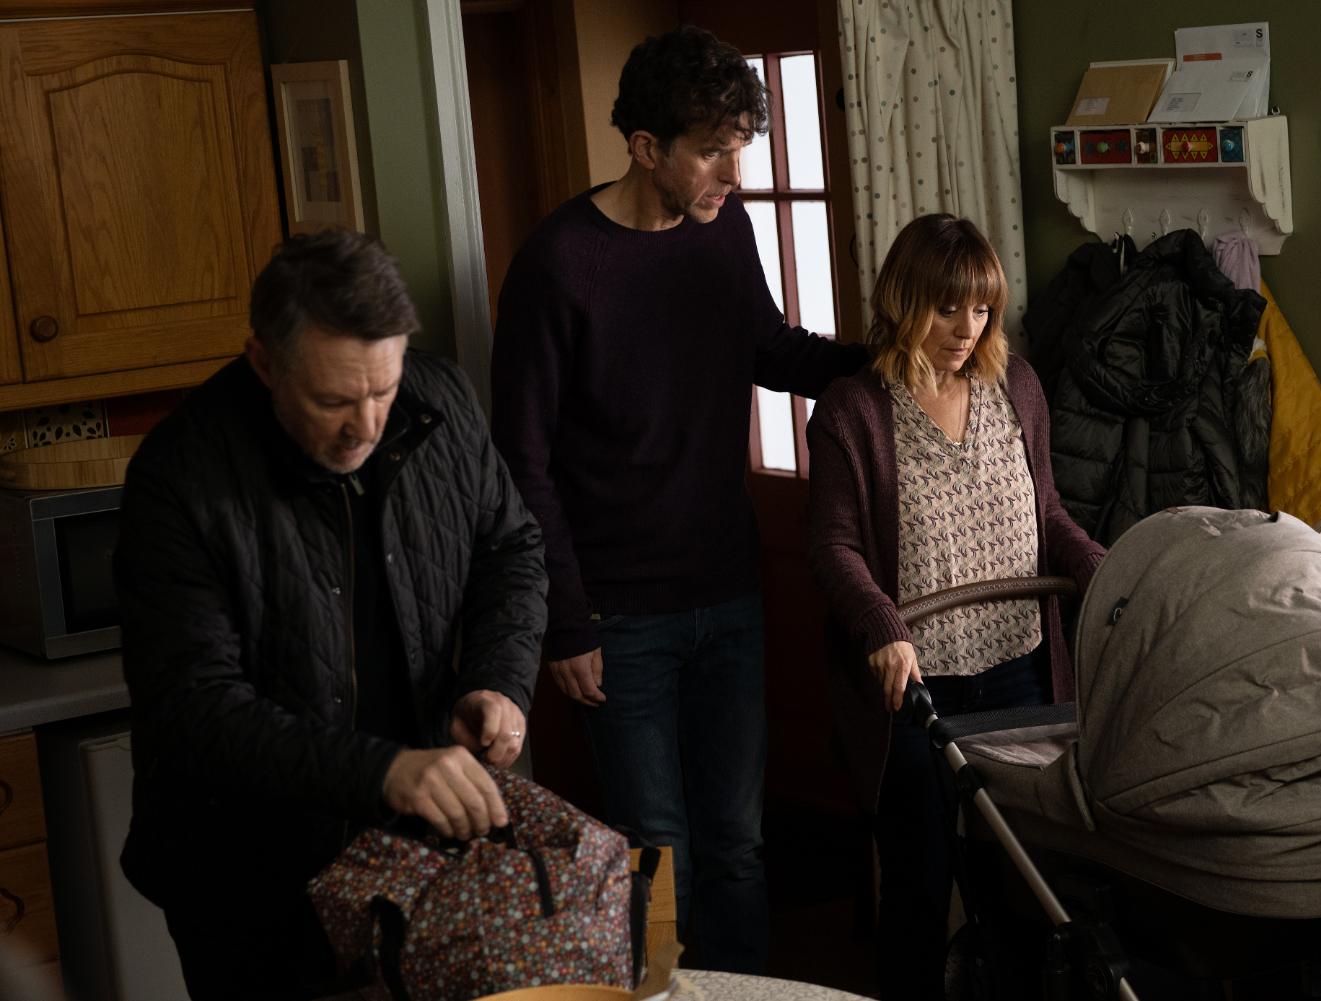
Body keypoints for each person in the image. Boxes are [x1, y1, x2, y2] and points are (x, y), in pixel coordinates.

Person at [491, 24, 866, 973]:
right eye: (710, 151)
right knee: (658, 851)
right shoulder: (558, 264)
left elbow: (771, 350)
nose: (730, 174)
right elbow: (521, 464)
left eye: (739, 149)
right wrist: (565, 622)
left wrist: (887, 368)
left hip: (728, 589)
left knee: (739, 844)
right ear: (645, 147)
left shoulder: (723, 229)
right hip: (618, 616)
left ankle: (747, 995)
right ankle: (662, 994)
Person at [116, 229, 549, 1000]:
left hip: (417, 861)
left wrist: (500, 678)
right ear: (264, 363)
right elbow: (195, 708)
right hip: (249, 885)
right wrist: (385, 771)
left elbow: (509, 549)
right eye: (333, 400)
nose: (367, 424)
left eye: (382, 388)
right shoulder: (180, 474)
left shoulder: (440, 397)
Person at [806, 214, 1106, 1000]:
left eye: (980, 310)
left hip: (1020, 673)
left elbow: (1047, 514)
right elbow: (834, 546)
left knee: (1022, 882)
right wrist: (883, 626)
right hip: (917, 690)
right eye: (946, 309)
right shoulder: (851, 410)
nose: (966, 329)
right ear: (905, 302)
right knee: (920, 881)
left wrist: (1104, 571)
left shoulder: (1019, 386)